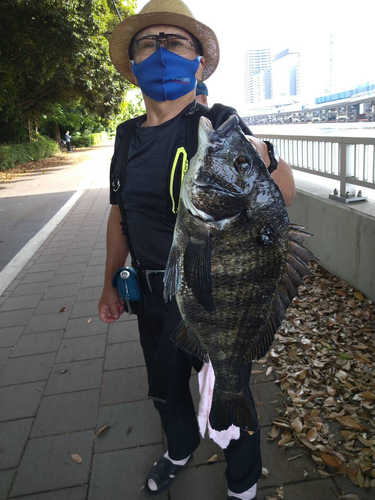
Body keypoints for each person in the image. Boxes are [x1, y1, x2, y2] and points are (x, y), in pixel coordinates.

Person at [99, 1, 296, 499]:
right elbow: (119, 215)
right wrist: (109, 282)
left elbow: (282, 195)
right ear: (135, 63)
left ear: (199, 64)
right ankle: (179, 448)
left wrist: (266, 164)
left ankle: (243, 482)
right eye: (150, 42)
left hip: (215, 296)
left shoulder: (220, 123)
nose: (162, 51)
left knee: (230, 388)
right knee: (165, 391)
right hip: (149, 292)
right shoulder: (125, 139)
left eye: (176, 42)